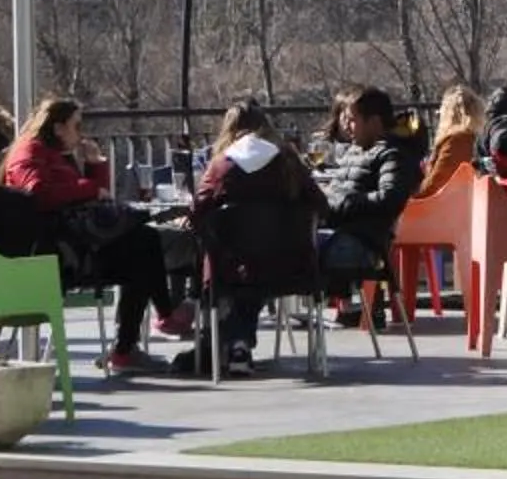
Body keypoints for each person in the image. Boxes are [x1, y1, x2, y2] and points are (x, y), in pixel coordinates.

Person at [2, 96, 190, 372]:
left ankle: (137, 339)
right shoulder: (30, 152)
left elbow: (97, 203)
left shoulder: (57, 156)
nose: (81, 134)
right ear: (58, 127)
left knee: (141, 246)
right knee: (143, 244)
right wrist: (89, 186)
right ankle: (149, 329)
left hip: (77, 244)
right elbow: (38, 193)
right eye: (77, 126)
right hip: (58, 254)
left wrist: (96, 165)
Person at [181, 100, 325, 377]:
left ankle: (220, 343)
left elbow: (199, 213)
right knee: (257, 264)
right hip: (293, 264)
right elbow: (320, 205)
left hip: (233, 268)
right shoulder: (289, 162)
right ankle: (236, 343)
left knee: (230, 261)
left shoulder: (222, 167)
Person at [314, 85, 414, 315]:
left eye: (352, 120)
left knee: (281, 253)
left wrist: (343, 201)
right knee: (274, 242)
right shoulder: (356, 150)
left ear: (374, 121)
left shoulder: (393, 154)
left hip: (363, 245)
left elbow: (389, 198)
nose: (347, 127)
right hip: (337, 234)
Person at [415, 85, 486, 200]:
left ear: (449, 112)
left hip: (447, 207)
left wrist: (411, 198)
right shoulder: (469, 137)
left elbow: (438, 182)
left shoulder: (458, 140)